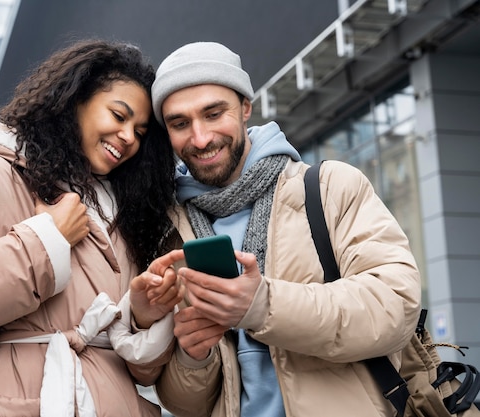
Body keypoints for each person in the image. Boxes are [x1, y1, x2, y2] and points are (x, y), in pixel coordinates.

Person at [0, 39, 183, 417]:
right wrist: (45, 241)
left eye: (140, 132)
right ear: (75, 99)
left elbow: (144, 374)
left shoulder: (129, 216)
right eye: (118, 115)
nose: (129, 137)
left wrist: (142, 317)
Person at [150, 41, 422, 417]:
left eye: (214, 114)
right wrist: (194, 357)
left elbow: (396, 306)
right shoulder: (172, 234)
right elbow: (184, 403)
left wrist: (262, 306)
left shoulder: (330, 188)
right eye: (180, 124)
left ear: (246, 107)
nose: (200, 138)